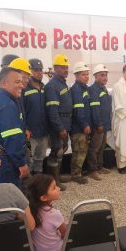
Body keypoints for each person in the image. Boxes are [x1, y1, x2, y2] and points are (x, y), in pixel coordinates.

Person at [45, 54, 73, 190]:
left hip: (65, 122)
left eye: (67, 67)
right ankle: (54, 181)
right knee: (56, 152)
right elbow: (52, 110)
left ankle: (58, 176)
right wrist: (60, 128)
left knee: (63, 150)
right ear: (55, 68)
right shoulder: (52, 86)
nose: (66, 70)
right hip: (58, 125)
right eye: (63, 67)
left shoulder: (62, 83)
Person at [24, 174, 66, 251]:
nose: (58, 188)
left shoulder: (29, 211)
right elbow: (66, 233)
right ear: (43, 197)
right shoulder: (55, 214)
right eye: (54, 188)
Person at [86, 64, 112, 180]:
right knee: (94, 148)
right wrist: (99, 124)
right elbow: (95, 109)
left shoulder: (103, 88)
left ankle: (100, 166)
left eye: (106, 75)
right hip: (98, 126)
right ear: (95, 76)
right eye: (102, 75)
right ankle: (92, 170)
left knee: (101, 147)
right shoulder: (93, 89)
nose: (105, 77)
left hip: (104, 124)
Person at [23, 59, 48, 174]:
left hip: (43, 132)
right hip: (31, 134)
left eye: (40, 70)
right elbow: (20, 111)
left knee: (40, 159)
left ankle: (39, 183)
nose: (39, 73)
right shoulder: (24, 89)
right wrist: (25, 128)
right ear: (30, 72)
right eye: (35, 70)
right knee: (29, 161)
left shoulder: (44, 88)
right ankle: (29, 186)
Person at [69, 62, 91, 184]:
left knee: (82, 151)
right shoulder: (76, 89)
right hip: (78, 128)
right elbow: (78, 110)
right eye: (83, 74)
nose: (86, 77)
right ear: (76, 76)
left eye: (87, 74)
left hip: (83, 127)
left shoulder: (84, 88)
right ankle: (76, 175)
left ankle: (79, 171)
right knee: (79, 151)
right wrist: (84, 125)